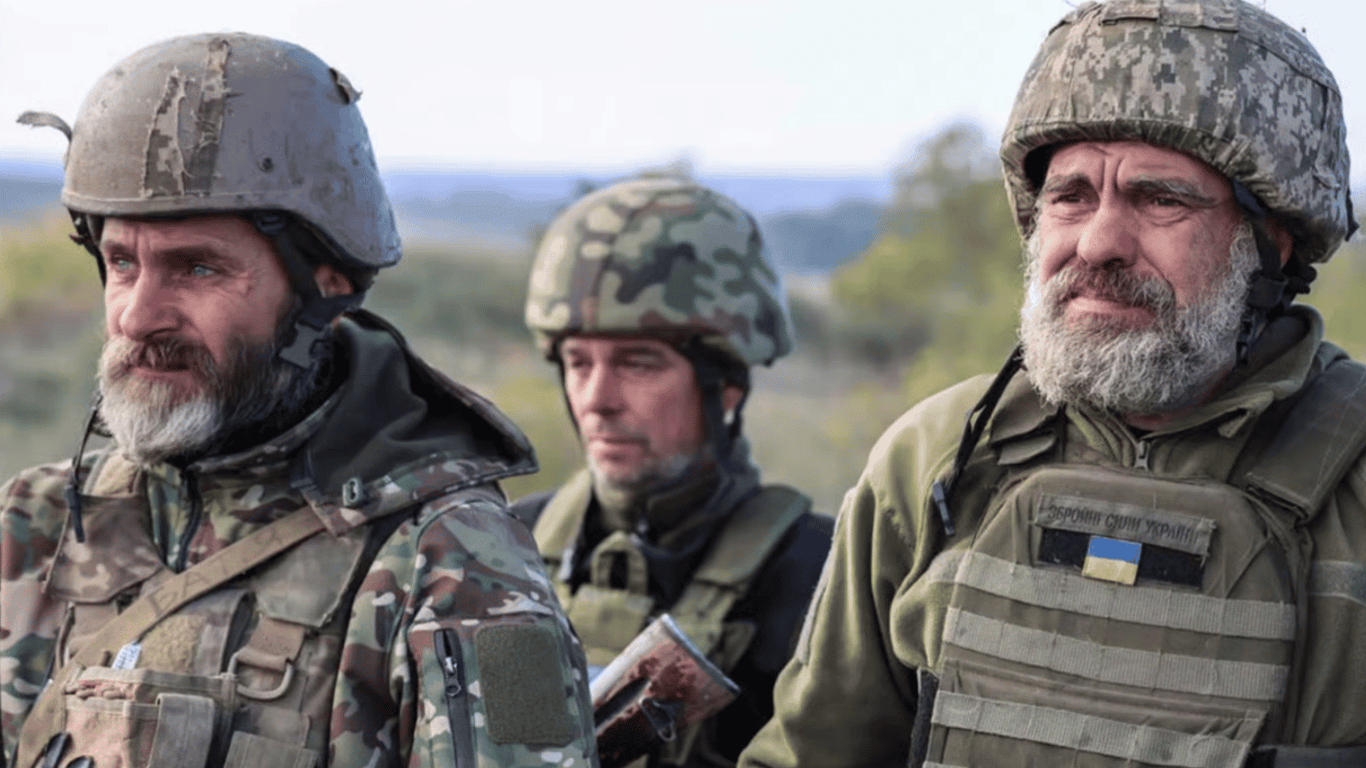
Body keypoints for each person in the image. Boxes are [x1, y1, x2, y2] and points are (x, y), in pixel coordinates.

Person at [739, 1, 1366, 766]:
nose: (1098, 244)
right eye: (1070, 196)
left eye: (1161, 199)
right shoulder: (939, 457)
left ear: (1274, 239)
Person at [1, 33, 596, 768]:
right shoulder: (34, 523)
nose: (137, 316)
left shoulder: (466, 568)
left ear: (327, 284)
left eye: (197, 268)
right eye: (122, 263)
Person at [513, 178, 833, 768]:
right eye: (578, 363)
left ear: (726, 384)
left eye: (638, 364)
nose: (597, 399)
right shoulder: (509, 547)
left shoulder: (817, 578)